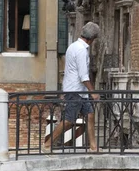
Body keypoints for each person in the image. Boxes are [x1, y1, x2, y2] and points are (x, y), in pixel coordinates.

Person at [43, 22, 101, 153]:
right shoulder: (81, 50)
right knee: (69, 120)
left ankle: (93, 147)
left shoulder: (73, 46)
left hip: (79, 91)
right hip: (75, 90)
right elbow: (83, 76)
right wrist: (93, 93)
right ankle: (47, 144)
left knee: (90, 115)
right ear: (92, 38)